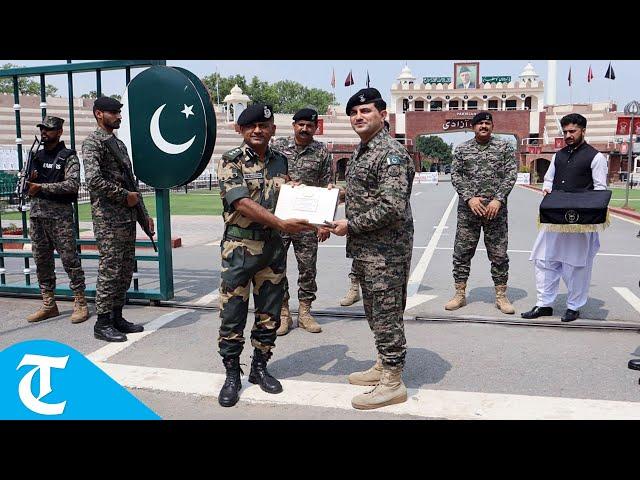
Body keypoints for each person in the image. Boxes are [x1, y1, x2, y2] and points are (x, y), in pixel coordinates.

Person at [216, 103, 315, 407]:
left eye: (263, 126)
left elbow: (282, 196)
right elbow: (241, 202)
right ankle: (232, 374)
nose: (257, 130)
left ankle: (260, 366)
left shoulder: (280, 162)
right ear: (240, 130)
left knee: (269, 313)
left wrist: (295, 191)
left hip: (272, 249)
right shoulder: (229, 161)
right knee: (232, 314)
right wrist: (281, 223)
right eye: (250, 126)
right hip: (240, 249)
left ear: (272, 130)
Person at [326, 87, 415, 410]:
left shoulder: (389, 152)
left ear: (383, 115)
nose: (358, 117)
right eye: (354, 113)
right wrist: (329, 199)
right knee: (375, 312)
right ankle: (382, 363)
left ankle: (393, 381)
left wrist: (351, 224)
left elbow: (392, 206)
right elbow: (362, 193)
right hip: (367, 250)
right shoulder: (364, 150)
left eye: (366, 111)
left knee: (387, 314)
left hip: (386, 252)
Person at [521, 113, 608, 322]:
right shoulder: (558, 156)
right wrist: (547, 189)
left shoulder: (595, 157)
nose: (568, 135)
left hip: (579, 222)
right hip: (554, 217)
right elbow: (549, 180)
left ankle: (574, 306)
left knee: (576, 265)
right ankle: (544, 304)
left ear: (583, 131)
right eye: (565, 131)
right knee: (544, 260)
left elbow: (600, 190)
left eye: (572, 131)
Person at [82, 96, 152, 342]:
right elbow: (93, 181)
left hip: (126, 218)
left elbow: (131, 183)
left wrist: (144, 215)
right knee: (110, 269)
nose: (119, 116)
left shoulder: (118, 144)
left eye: (119, 112)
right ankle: (102, 323)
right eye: (114, 112)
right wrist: (125, 197)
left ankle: (117, 316)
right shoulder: (93, 143)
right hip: (108, 219)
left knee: (123, 269)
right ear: (99, 114)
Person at [446, 112, 518, 314]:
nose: (484, 126)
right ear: (473, 127)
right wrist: (469, 197)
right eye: (480, 124)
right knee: (462, 253)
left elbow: (511, 174)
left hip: (496, 211)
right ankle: (459, 294)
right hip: (469, 210)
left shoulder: (504, 147)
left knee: (499, 255)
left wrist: (499, 199)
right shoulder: (462, 149)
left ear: (492, 126)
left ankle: (501, 296)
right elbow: (456, 175)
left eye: (487, 123)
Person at [271, 108, 332, 335]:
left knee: (307, 268)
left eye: (310, 125)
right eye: (301, 124)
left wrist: (324, 224)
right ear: (293, 125)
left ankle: (305, 312)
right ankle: (284, 312)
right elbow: (269, 177)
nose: (305, 129)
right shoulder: (277, 148)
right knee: (277, 266)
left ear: (315, 128)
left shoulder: (321, 152)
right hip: (281, 218)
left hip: (308, 222)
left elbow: (327, 187)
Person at [25, 116, 89, 324]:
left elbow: (72, 185)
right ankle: (49, 304)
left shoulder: (68, 156)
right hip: (37, 216)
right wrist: (30, 181)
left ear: (60, 132)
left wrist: (41, 187)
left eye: (49, 129)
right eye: (42, 129)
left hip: (59, 217)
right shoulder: (35, 156)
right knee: (41, 262)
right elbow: (29, 186)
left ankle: (80, 302)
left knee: (70, 261)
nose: (44, 132)